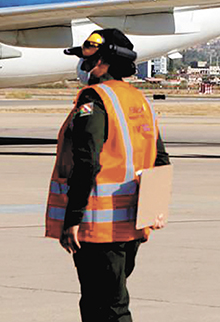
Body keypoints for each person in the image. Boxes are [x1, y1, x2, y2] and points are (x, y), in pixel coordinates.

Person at [46, 29, 170, 322]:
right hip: (131, 226)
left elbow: (87, 161)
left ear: (105, 62)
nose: (85, 68)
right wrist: (155, 209)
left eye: (89, 61)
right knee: (102, 303)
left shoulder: (96, 99)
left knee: (107, 308)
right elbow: (160, 158)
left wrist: (73, 218)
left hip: (99, 228)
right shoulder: (138, 100)